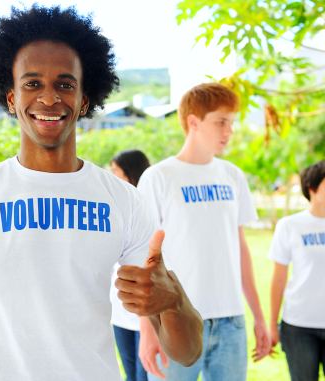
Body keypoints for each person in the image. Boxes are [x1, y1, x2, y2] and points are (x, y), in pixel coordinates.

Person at [0, 6, 203, 381]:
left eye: (65, 84)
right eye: (32, 83)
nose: (49, 99)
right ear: (11, 98)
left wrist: (174, 302)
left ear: (84, 100)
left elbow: (187, 352)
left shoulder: (125, 200)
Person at [138, 83, 271, 381]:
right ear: (193, 122)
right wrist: (147, 331)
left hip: (231, 321)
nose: (229, 131)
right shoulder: (158, 177)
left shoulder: (233, 175)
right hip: (176, 320)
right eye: (221, 122)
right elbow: (143, 257)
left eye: (232, 123)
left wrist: (259, 319)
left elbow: (241, 250)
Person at [269, 160, 325, 381]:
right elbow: (278, 279)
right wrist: (273, 325)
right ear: (311, 188)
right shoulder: (290, 225)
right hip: (298, 326)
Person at [110, 149, 151, 381]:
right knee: (130, 375)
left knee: (143, 374)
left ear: (131, 174)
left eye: (116, 171)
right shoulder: (114, 206)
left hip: (143, 310)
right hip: (119, 311)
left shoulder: (146, 207)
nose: (112, 176)